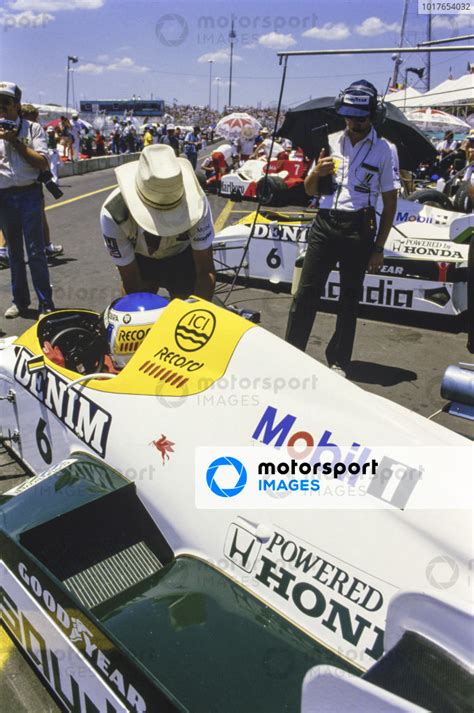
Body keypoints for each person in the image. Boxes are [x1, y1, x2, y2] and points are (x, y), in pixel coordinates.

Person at [285, 79, 400, 378]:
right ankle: (291, 353)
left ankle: (339, 360)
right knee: (305, 292)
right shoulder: (330, 141)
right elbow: (310, 191)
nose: (353, 123)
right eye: (349, 116)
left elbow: (390, 204)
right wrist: (316, 173)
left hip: (359, 226)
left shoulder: (386, 150)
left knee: (349, 297)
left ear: (372, 116)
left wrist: (378, 247)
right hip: (325, 223)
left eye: (360, 118)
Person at [100, 144, 216, 300]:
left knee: (185, 298)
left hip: (181, 253)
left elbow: (205, 271)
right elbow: (131, 281)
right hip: (141, 256)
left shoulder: (198, 204)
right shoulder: (114, 214)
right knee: (141, 298)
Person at [0, 81, 55, 317]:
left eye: (6, 102)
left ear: (18, 105)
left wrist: (15, 141)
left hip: (29, 193)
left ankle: (46, 303)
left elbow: (42, 162)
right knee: (13, 252)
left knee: (35, 251)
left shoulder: (32, 129)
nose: (1, 107)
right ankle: (19, 301)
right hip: (4, 196)